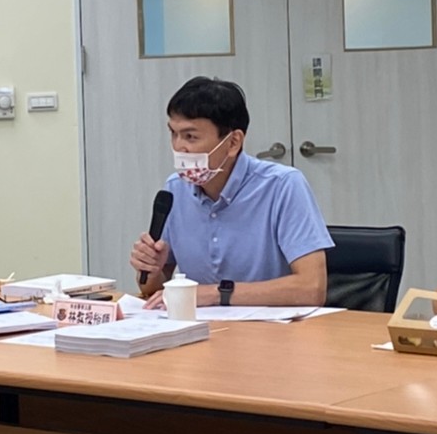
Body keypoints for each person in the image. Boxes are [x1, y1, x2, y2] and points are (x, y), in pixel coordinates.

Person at [130, 77, 332, 308]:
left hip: (272, 327)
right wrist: (151, 270)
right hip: (198, 325)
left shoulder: (283, 185)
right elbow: (155, 290)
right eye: (173, 134)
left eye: (190, 136)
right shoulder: (175, 189)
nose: (178, 147)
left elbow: (312, 288)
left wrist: (217, 294)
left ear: (233, 142)